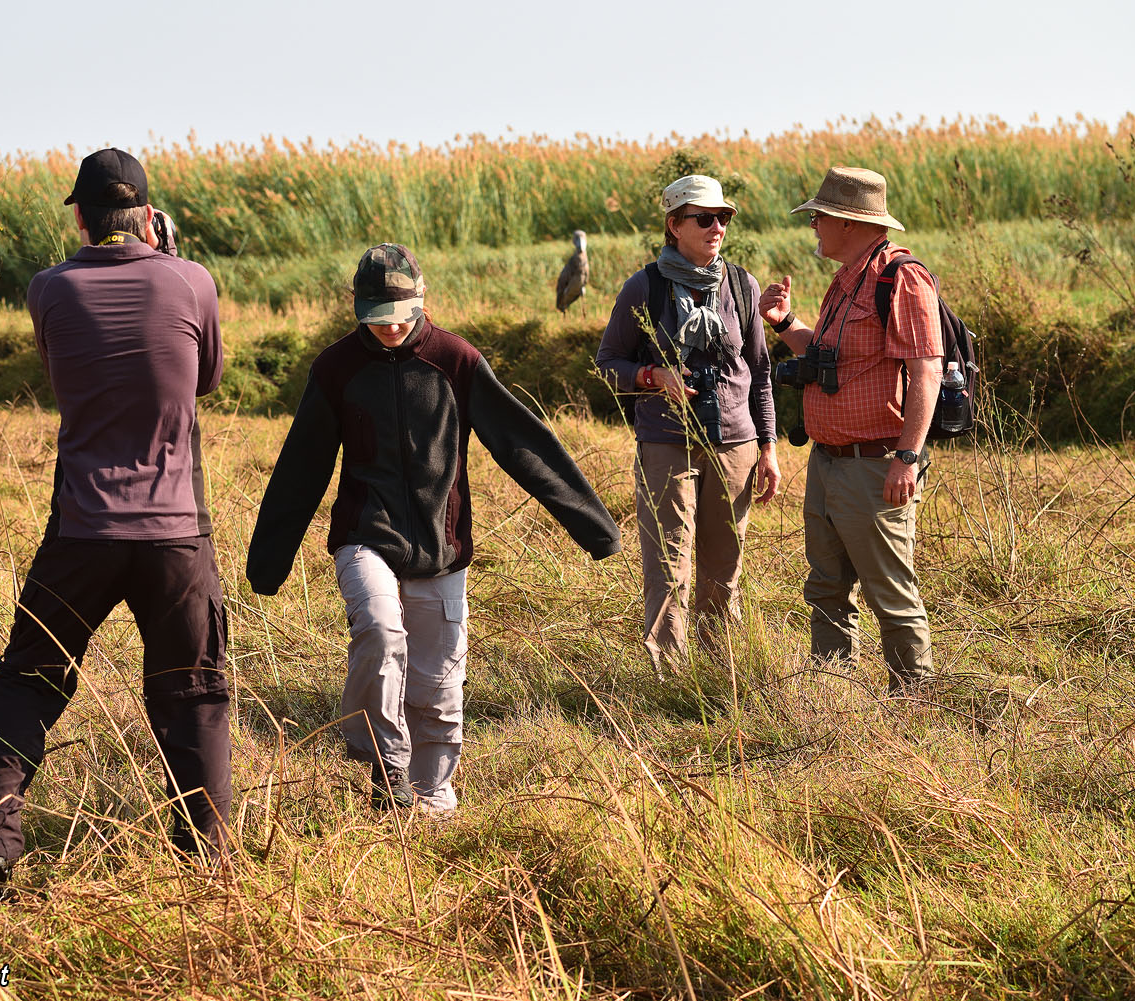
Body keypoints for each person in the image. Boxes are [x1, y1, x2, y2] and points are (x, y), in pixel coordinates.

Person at [245, 244, 621, 815]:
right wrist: (269, 561)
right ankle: (387, 765)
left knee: (438, 690)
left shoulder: (456, 361)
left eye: (400, 314)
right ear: (358, 308)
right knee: (379, 632)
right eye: (377, 316)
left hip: (442, 547)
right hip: (365, 536)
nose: (391, 327)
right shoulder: (337, 368)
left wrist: (592, 525)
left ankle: (431, 799)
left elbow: (522, 444)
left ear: (421, 302)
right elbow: (303, 466)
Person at [0, 149, 230, 899]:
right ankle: (204, 867)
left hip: (80, 528)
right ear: (148, 212)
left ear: (79, 216)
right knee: (194, 694)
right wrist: (169, 260)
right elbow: (204, 378)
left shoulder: (48, 289)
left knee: (27, 683)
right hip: (176, 531)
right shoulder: (193, 280)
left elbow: (61, 376)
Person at [757, 166, 941, 691]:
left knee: (890, 592)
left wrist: (906, 458)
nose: (813, 226)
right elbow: (826, 358)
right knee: (827, 588)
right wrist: (785, 323)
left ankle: (914, 706)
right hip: (828, 461)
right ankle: (833, 701)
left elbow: (926, 369)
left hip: (875, 463)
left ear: (847, 222)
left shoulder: (901, 278)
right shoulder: (847, 278)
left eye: (819, 217)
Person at [595, 176, 778, 675]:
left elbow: (759, 372)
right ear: (674, 225)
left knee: (725, 569)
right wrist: (654, 375)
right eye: (704, 218)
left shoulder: (742, 285)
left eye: (723, 217)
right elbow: (608, 362)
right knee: (668, 567)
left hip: (734, 442)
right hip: (666, 444)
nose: (716, 227)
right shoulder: (645, 287)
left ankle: (722, 673)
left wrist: (768, 446)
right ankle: (669, 678)